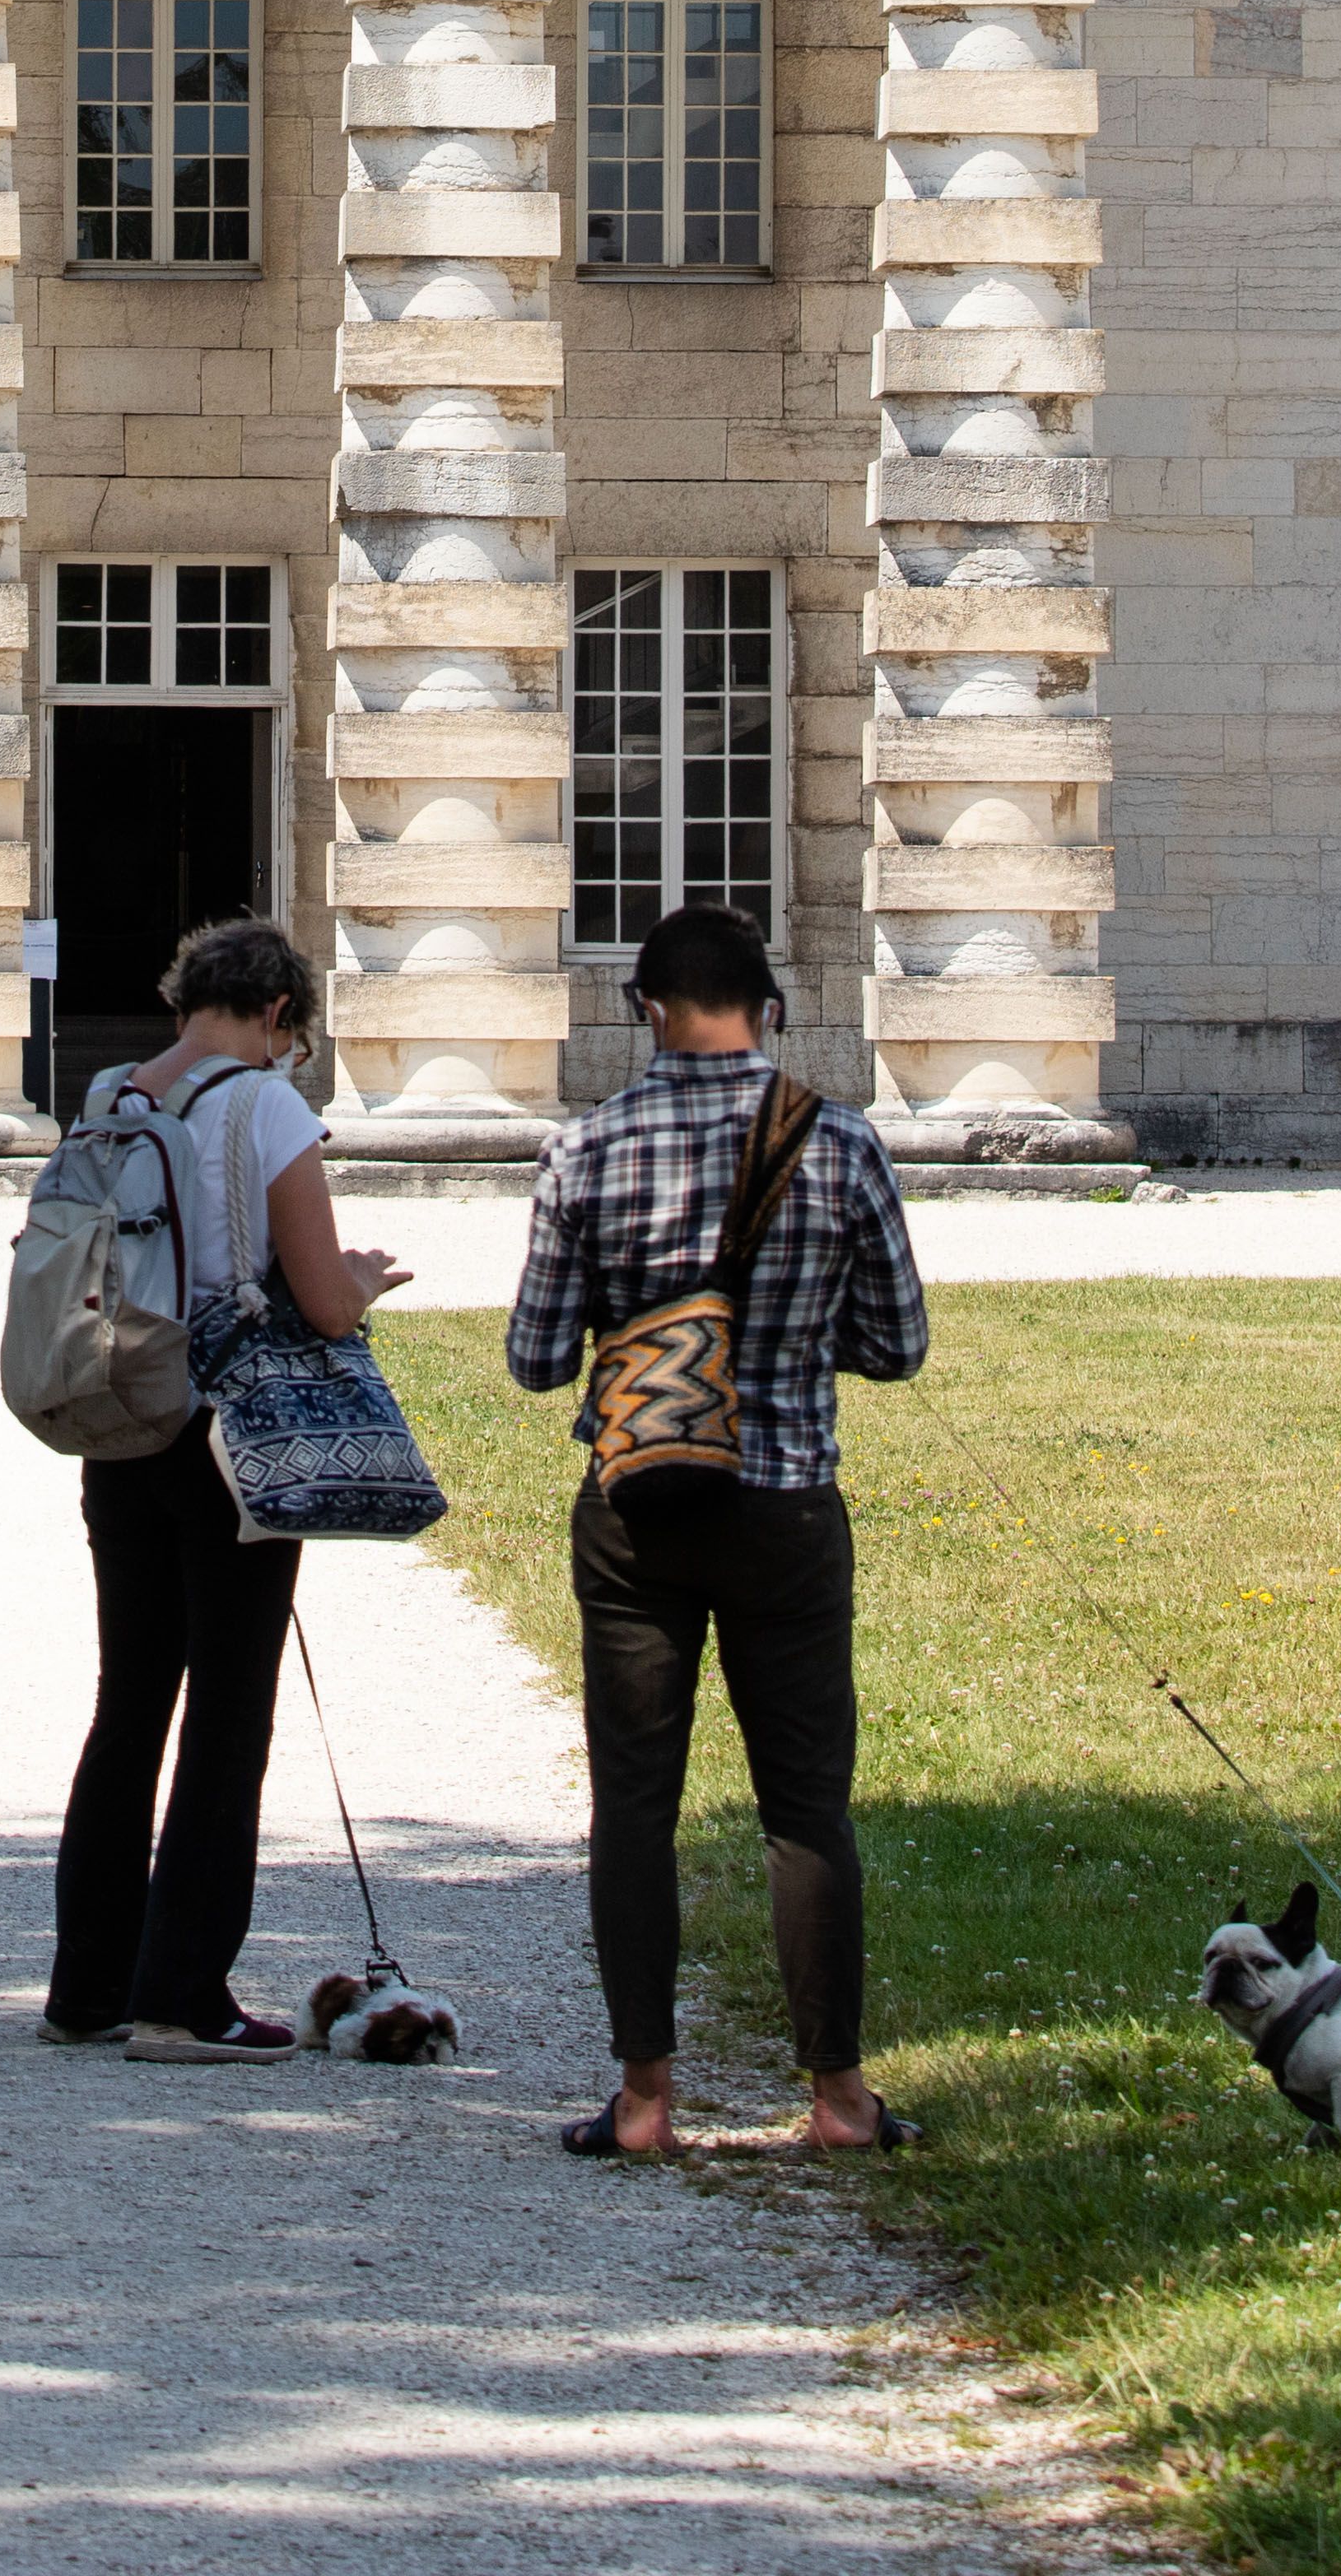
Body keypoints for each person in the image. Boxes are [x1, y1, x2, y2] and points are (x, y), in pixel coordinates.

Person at [501, 904, 933, 2165]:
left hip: (635, 1509)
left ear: (645, 1009)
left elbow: (537, 1357)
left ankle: (644, 2099)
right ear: (772, 1007)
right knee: (806, 1808)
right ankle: (840, 2096)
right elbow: (897, 1345)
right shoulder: (840, 1144)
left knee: (635, 1806)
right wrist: (785, 1346)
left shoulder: (586, 1148)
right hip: (787, 1503)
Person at [48, 912, 412, 2059]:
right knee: (229, 1705)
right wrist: (361, 1278)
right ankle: (184, 1995)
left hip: (122, 1415)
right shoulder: (267, 1104)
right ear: (277, 1013)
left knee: (128, 1701)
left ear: (183, 998)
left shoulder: (111, 1096)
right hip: (228, 1432)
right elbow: (321, 1300)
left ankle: (89, 1985)